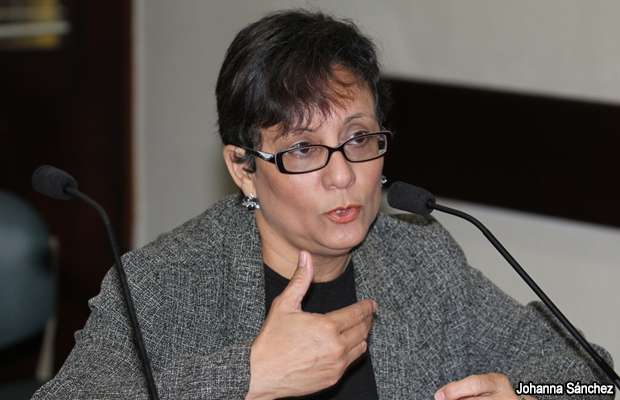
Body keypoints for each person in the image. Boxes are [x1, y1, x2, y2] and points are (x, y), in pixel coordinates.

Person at [34, 9, 613, 400]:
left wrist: (526, 395)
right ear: (243, 168)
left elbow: (593, 380)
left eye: (359, 138)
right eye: (303, 149)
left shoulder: (417, 259)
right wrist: (246, 377)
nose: (343, 175)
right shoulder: (169, 282)